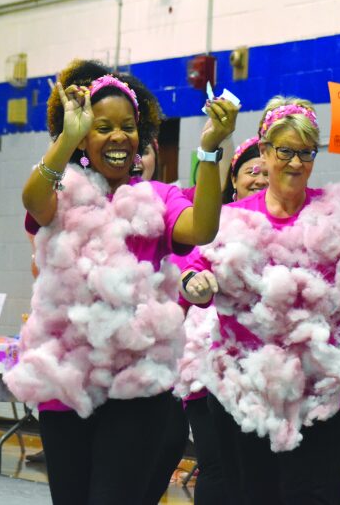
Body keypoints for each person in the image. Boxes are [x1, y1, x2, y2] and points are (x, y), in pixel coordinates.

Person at [3, 59, 239, 505]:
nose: (118, 137)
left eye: (128, 126)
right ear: (84, 138)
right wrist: (66, 138)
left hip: (137, 386)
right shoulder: (63, 194)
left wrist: (210, 150)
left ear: (141, 134)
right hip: (66, 385)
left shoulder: (158, 199)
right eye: (103, 126)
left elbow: (204, 228)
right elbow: (34, 199)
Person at [179, 96, 340, 505]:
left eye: (306, 153)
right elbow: (192, 269)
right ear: (263, 152)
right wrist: (198, 284)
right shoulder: (233, 219)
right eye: (285, 151)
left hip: (326, 401)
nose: (296, 163)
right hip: (244, 398)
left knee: (311, 496)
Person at [145, 137, 266, 505]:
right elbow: (185, 280)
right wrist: (219, 137)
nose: (259, 179)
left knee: (258, 475)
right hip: (206, 362)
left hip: (266, 367)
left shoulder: (289, 224)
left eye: (266, 171)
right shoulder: (211, 220)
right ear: (234, 177)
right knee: (218, 465)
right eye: (251, 171)